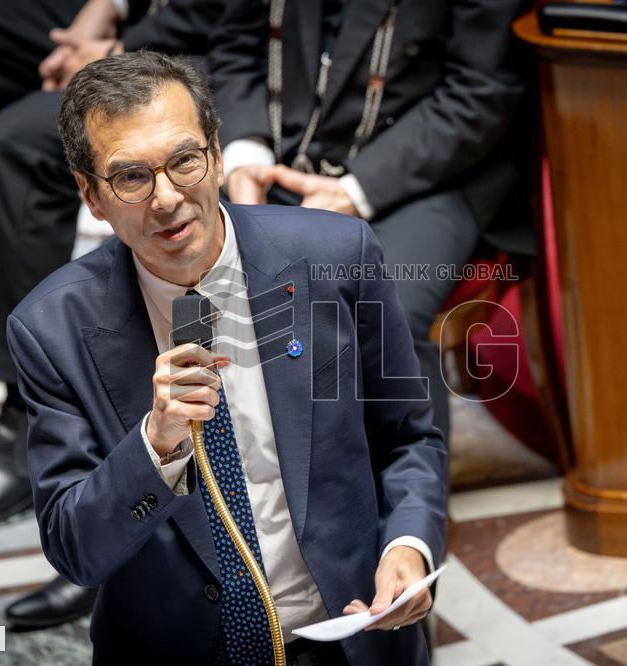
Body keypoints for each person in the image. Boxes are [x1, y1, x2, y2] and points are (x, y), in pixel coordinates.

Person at [7, 51, 447, 662]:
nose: (166, 199)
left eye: (185, 160)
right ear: (91, 195)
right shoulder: (50, 329)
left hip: (351, 638)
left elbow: (408, 441)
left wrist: (408, 545)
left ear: (216, 154)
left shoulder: (337, 256)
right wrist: (154, 446)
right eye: (131, 177)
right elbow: (76, 550)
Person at [0, 0, 221, 628]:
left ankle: (25, 421)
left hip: (201, 42)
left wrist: (112, 57)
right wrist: (98, 13)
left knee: (15, 150)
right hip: (139, 19)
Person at [209, 0, 526, 443]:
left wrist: (353, 191)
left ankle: (408, 506)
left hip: (427, 171)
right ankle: (238, 488)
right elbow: (234, 46)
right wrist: (245, 156)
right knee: (187, 286)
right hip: (274, 153)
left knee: (379, 310)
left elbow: (481, 90)